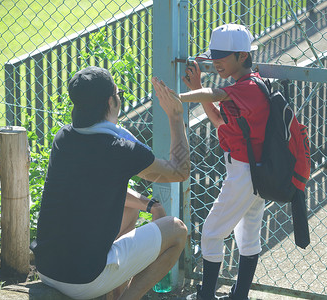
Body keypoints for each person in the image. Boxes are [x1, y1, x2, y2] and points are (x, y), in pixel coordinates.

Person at [30, 66, 190, 300]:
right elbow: (179, 171)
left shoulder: (63, 138)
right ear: (110, 102)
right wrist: (175, 116)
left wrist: (149, 204)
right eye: (119, 94)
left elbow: (101, 187)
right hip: (83, 281)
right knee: (177, 230)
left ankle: (112, 295)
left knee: (129, 210)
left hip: (47, 270)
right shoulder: (120, 149)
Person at [181, 24, 269, 300]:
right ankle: (238, 295)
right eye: (213, 55)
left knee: (211, 232)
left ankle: (206, 295)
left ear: (243, 56)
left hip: (244, 172)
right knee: (247, 234)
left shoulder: (250, 87)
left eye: (222, 56)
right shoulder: (245, 86)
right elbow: (219, 120)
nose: (215, 61)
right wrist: (197, 87)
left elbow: (217, 95)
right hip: (253, 170)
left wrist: (180, 97)